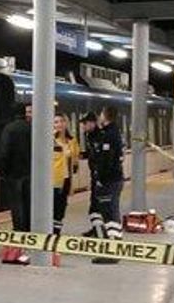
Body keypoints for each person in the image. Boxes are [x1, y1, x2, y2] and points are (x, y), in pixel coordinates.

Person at [87, 106, 125, 264]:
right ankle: (113, 248)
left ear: (106, 116)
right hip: (114, 179)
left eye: (101, 114)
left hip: (108, 181)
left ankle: (112, 252)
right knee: (111, 214)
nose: (100, 117)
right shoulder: (115, 133)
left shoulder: (109, 135)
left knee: (110, 215)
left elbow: (106, 161)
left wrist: (100, 178)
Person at [0, 102, 33, 231]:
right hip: (30, 173)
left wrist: (1, 170)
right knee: (28, 203)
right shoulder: (31, 128)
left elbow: (4, 152)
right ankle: (28, 228)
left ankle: (19, 229)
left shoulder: (9, 129)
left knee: (16, 204)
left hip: (13, 174)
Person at [51, 113, 81, 234]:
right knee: (52, 207)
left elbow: (75, 159)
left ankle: (56, 232)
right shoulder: (50, 140)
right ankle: (50, 232)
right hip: (53, 180)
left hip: (66, 179)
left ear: (66, 123)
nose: (59, 124)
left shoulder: (72, 141)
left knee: (61, 208)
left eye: (62, 121)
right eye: (56, 122)